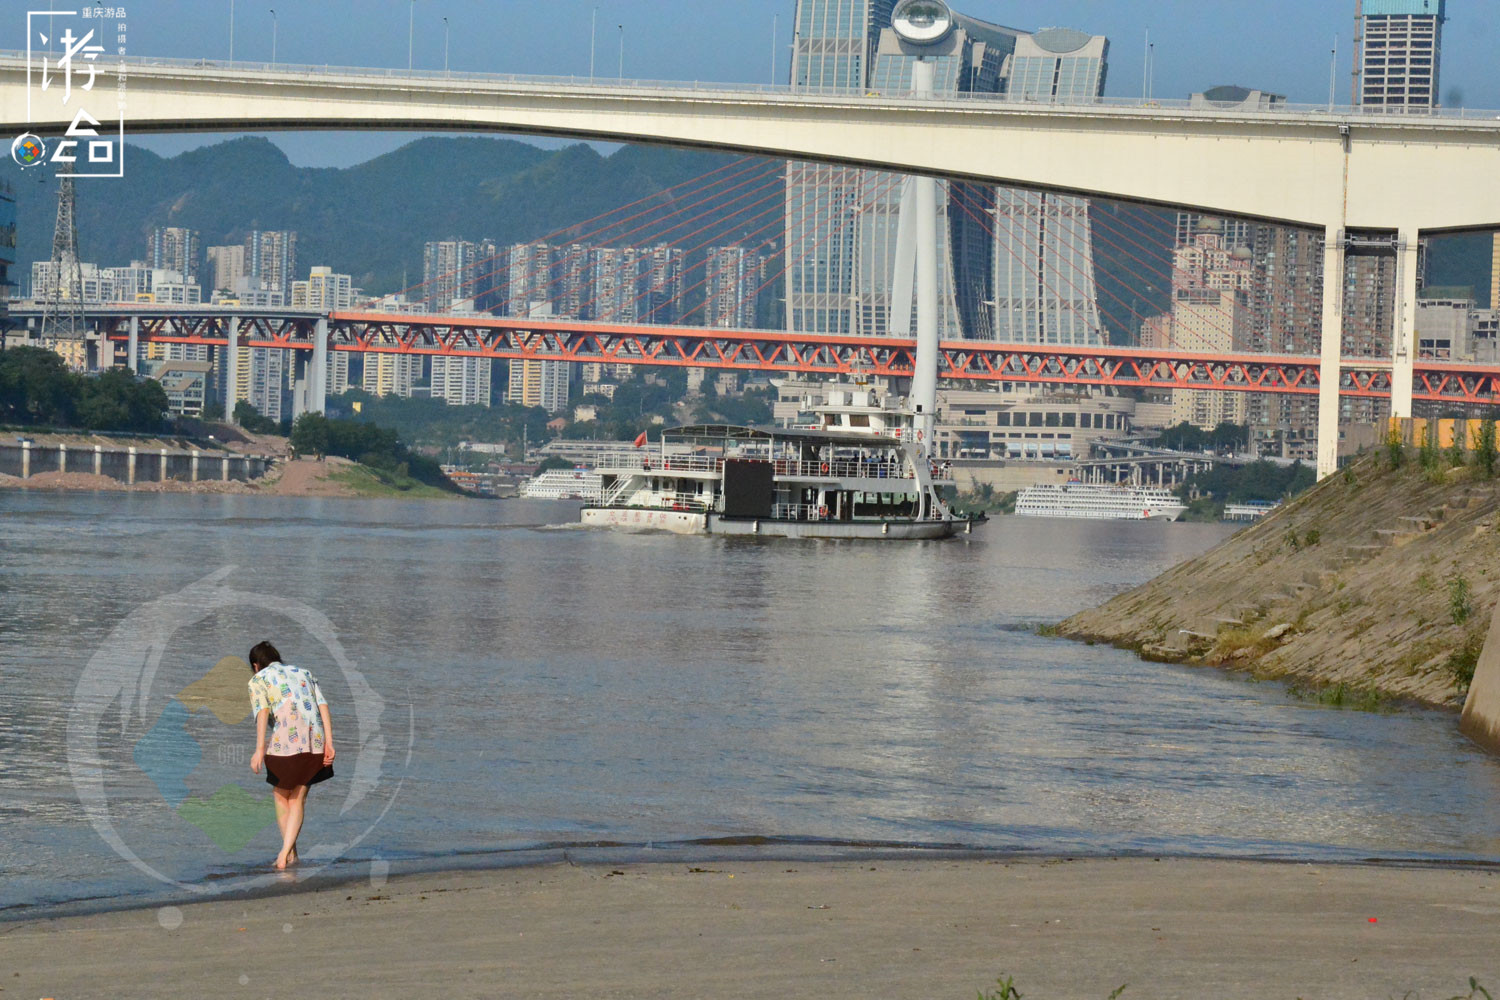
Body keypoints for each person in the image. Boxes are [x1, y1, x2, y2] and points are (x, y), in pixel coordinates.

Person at [247, 640, 335, 870]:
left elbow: (263, 712)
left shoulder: (258, 680)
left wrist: (259, 749)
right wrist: (330, 743)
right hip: (315, 741)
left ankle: (284, 854)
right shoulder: (304, 672)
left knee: (280, 796)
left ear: (256, 665)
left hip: (284, 744)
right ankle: (292, 854)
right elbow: (323, 705)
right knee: (298, 797)